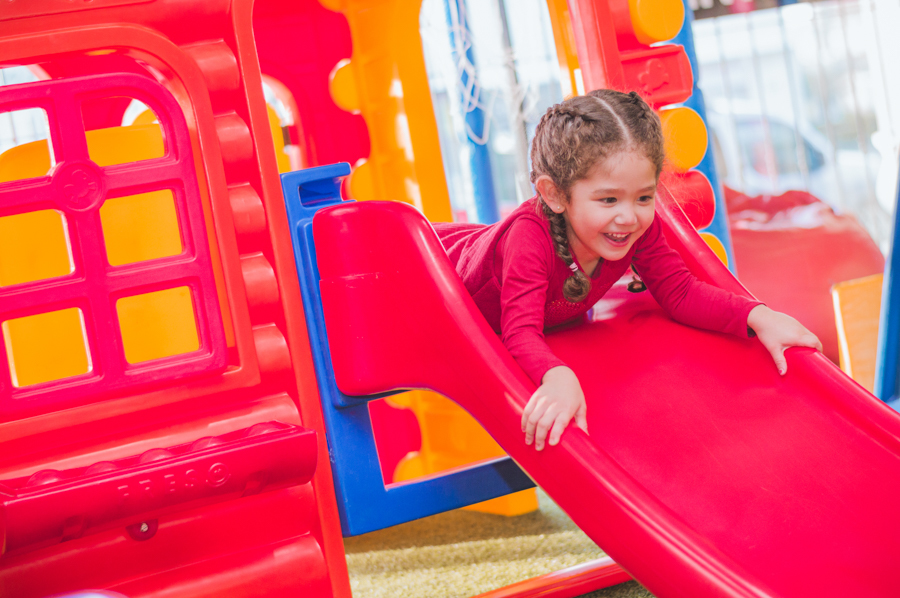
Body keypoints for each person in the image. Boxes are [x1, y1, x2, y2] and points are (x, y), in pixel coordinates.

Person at [433, 89, 822, 452]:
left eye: (644, 197)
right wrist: (556, 375)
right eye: (608, 199)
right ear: (555, 194)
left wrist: (759, 316)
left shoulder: (633, 228)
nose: (628, 216)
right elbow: (518, 331)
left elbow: (680, 292)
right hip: (431, 283)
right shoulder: (528, 240)